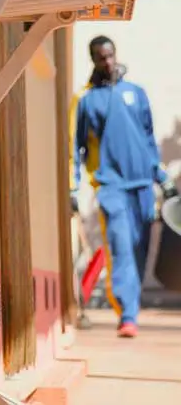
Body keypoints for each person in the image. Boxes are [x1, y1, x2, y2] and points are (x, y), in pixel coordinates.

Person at [70, 35, 170, 339]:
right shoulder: (87, 100)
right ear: (93, 60)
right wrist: (73, 186)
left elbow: (148, 139)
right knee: (122, 248)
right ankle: (127, 315)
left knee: (139, 251)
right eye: (101, 57)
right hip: (111, 187)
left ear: (116, 54)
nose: (108, 62)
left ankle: (131, 310)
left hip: (143, 186)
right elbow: (76, 148)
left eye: (110, 55)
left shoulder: (136, 93)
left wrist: (162, 178)